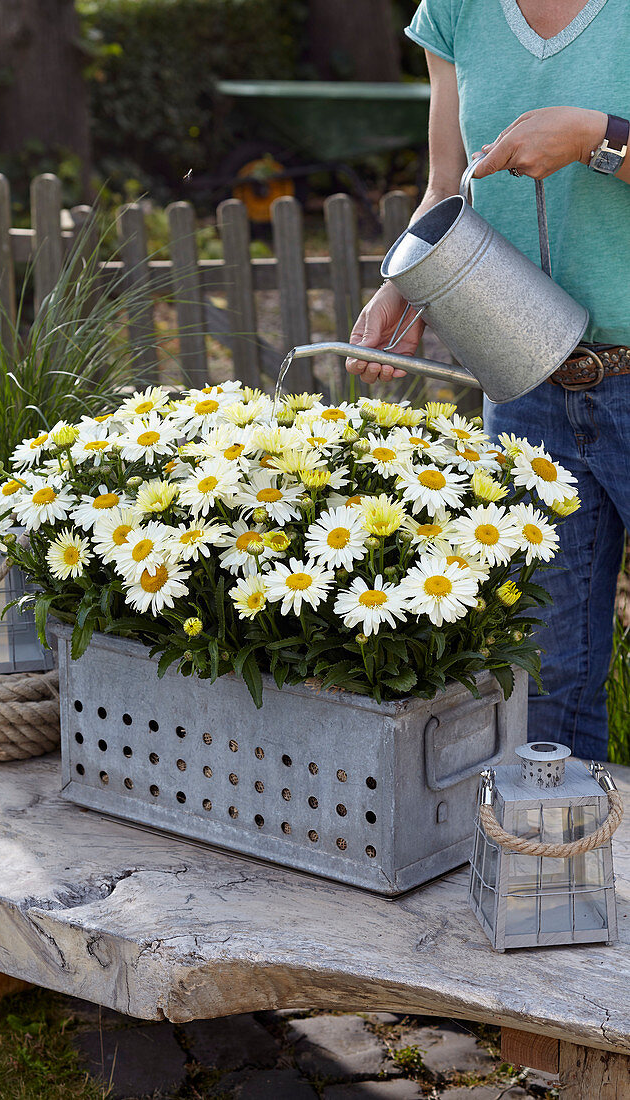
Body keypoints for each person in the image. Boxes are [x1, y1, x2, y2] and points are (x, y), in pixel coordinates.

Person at [345, 0, 630, 760]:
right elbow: (447, 182)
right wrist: (403, 284)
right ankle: (557, 865)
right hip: (524, 383)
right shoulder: (454, 10)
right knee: (542, 679)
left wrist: (596, 138)